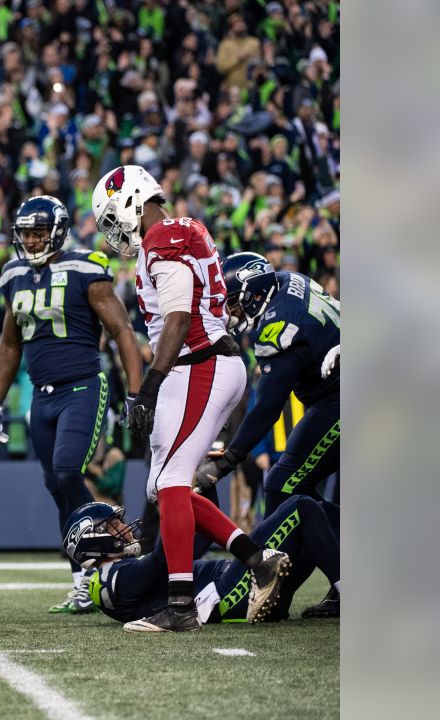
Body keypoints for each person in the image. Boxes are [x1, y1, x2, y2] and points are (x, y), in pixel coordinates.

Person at [89, 165, 291, 632]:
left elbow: (179, 318)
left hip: (202, 362)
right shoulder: (175, 230)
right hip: (196, 365)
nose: (113, 230)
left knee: (175, 480)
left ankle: (180, 605)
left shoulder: (164, 237)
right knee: (163, 487)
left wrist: (148, 387)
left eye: (111, 218)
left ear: (131, 200)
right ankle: (256, 558)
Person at [0, 195, 145, 615]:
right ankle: (83, 580)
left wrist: (135, 392)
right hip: (41, 396)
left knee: (65, 470)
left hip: (82, 387)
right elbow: (8, 344)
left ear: (56, 231)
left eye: (39, 232)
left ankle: (114, 536)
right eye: (26, 233)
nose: (32, 240)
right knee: (56, 486)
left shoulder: (85, 269)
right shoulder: (14, 274)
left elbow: (122, 330)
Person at [197, 252, 340, 617]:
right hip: (335, 394)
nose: (229, 311)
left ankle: (279, 587)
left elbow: (267, 406)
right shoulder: (290, 281)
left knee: (282, 485)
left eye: (231, 301)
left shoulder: (276, 323)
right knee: (297, 496)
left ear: (253, 292)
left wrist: (228, 459)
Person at [63, 494, 340, 626]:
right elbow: (164, 560)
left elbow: (198, 539)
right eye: (112, 526)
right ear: (91, 539)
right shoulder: (108, 580)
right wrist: (177, 500)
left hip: (237, 585)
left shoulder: (113, 574)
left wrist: (199, 496)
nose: (123, 529)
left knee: (322, 511)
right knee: (302, 507)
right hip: (234, 592)